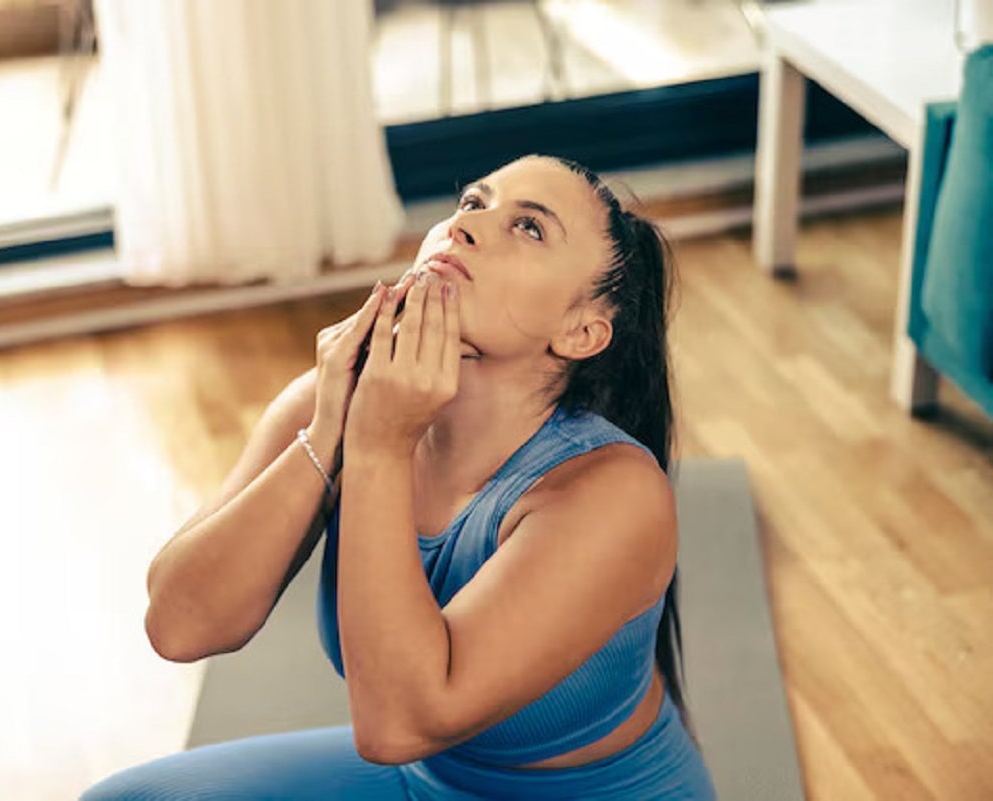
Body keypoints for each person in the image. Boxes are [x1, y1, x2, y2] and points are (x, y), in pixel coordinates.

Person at [82, 155, 717, 800]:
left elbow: (397, 727)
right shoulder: (334, 402)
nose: (465, 228)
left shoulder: (611, 493)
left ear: (580, 332)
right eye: (473, 203)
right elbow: (181, 623)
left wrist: (381, 446)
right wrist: (332, 429)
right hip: (426, 784)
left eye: (528, 227)